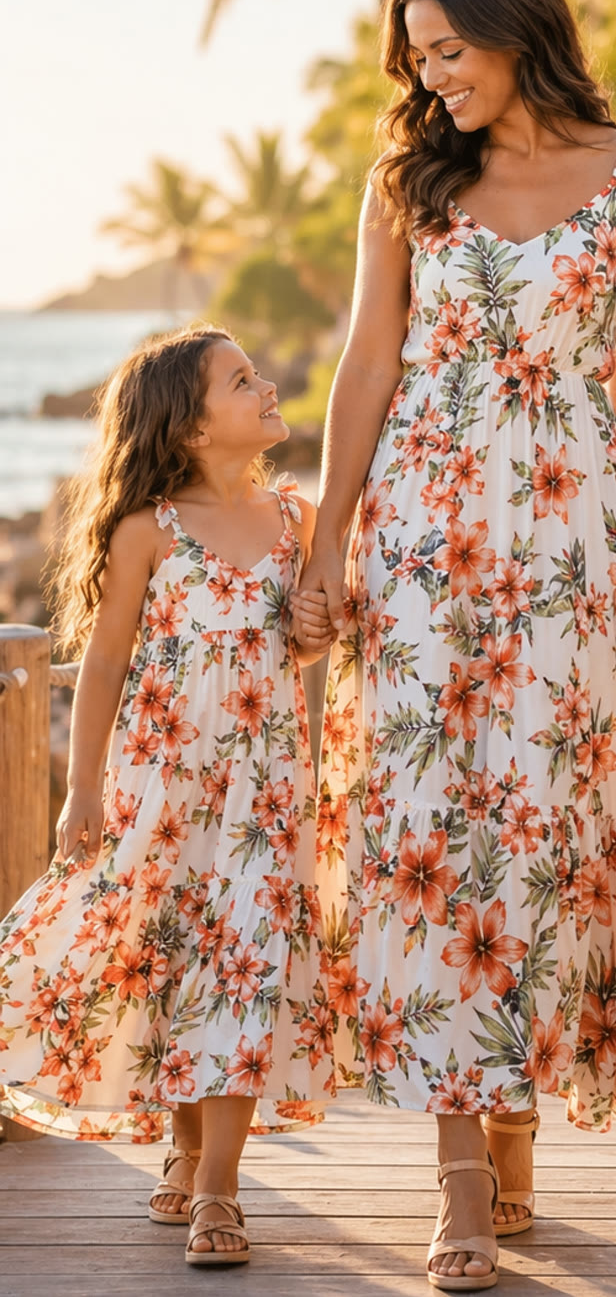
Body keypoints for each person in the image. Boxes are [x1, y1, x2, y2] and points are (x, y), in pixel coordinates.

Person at [294, 0, 616, 1293]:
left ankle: (517, 1099)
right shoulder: (408, 183)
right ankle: (461, 1176)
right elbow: (368, 364)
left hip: (575, 535)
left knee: (549, 819)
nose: (432, 79)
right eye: (417, 60)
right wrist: (331, 534)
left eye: (448, 51)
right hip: (426, 533)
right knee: (436, 828)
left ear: (515, 29)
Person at [0, 326, 343, 1267]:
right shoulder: (148, 531)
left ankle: (219, 1190)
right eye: (242, 381)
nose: (268, 386)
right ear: (191, 428)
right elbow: (105, 663)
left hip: (266, 794)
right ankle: (187, 1151)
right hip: (163, 788)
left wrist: (315, 628)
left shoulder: (297, 518)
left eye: (259, 372)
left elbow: (307, 640)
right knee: (179, 965)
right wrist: (82, 790)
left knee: (246, 968)